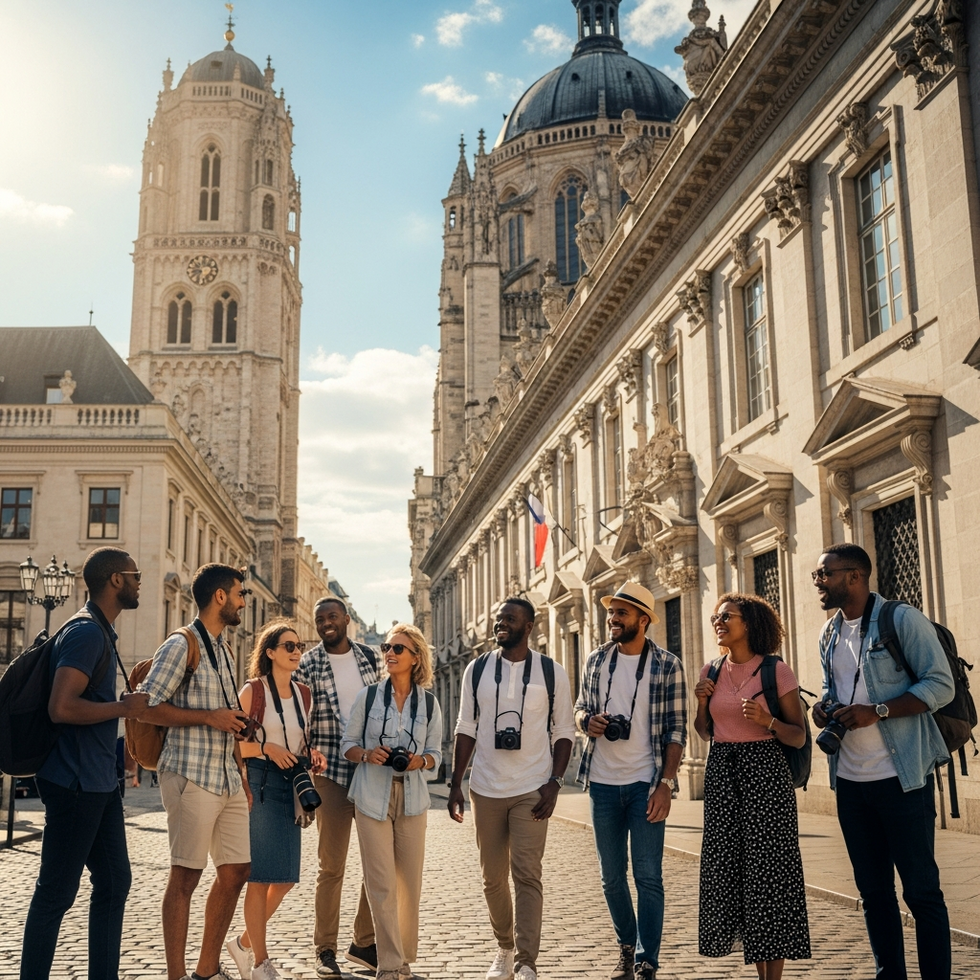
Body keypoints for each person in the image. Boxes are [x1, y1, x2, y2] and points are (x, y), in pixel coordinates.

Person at [812, 543, 954, 980]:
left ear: (854, 576)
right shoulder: (828, 632)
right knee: (873, 893)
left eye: (825, 574)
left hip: (902, 778)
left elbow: (940, 685)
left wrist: (879, 711)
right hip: (852, 783)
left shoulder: (900, 619)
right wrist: (824, 708)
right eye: (818, 575)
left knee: (922, 892)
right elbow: (831, 686)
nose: (818, 582)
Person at [19, 547, 149, 980]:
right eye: (134, 574)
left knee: (115, 883)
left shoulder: (99, 630)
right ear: (115, 580)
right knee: (56, 892)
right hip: (74, 783)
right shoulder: (86, 633)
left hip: (98, 782)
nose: (139, 581)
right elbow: (62, 707)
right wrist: (123, 708)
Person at [448, 597, 576, 980]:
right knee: (491, 876)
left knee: (527, 873)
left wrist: (554, 782)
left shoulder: (551, 672)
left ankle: (525, 961)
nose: (500, 624)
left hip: (532, 789)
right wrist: (455, 783)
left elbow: (564, 731)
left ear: (529, 626)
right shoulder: (478, 668)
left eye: (510, 619)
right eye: (499, 618)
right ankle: (504, 947)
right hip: (485, 788)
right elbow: (465, 727)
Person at [139, 563, 254, 980]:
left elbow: (226, 718)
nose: (244, 601)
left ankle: (206, 971)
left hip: (226, 775)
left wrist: (241, 772)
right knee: (185, 876)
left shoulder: (222, 647)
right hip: (190, 773)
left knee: (237, 870)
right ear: (220, 597)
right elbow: (147, 705)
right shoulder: (181, 642)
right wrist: (210, 718)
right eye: (241, 593)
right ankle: (176, 975)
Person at [693, 592, 810, 980]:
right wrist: (700, 705)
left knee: (769, 875)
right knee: (732, 872)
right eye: (715, 617)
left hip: (765, 773)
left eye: (728, 616)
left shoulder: (775, 671)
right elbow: (704, 731)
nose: (719, 623)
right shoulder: (710, 670)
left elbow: (798, 737)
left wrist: (768, 720)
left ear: (750, 623)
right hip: (723, 771)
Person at [573, 583, 687, 980]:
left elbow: (676, 731)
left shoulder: (667, 664)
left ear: (642, 620)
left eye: (621, 613)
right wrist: (587, 722)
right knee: (610, 877)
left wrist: (666, 785)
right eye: (611, 612)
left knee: (648, 876)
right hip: (602, 783)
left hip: (645, 783)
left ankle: (646, 960)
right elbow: (579, 708)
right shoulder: (596, 660)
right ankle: (627, 944)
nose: (612, 619)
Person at [340, 623, 443, 980]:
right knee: (380, 881)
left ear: (416, 658)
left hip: (413, 797)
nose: (390, 654)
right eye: (387, 647)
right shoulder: (368, 697)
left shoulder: (429, 703)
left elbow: (436, 753)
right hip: (371, 795)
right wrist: (368, 755)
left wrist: (421, 761)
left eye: (398, 649)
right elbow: (347, 745)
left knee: (408, 884)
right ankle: (389, 965)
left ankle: (403, 958)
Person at [226, 620, 327, 980]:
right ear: (269, 652)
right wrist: (267, 747)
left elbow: (300, 738)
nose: (296, 651)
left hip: (293, 784)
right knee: (261, 877)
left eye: (298, 645)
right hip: (261, 783)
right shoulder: (252, 691)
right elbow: (234, 744)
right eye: (288, 645)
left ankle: (241, 942)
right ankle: (259, 963)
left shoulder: (303, 694)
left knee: (284, 878)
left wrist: (311, 753)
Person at [295, 596, 378, 978]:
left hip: (370, 771)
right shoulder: (307, 663)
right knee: (331, 865)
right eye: (320, 619)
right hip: (329, 772)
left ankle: (364, 942)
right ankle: (324, 949)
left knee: (378, 861)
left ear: (346, 619)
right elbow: (298, 720)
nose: (327, 623)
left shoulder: (371, 658)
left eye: (332, 616)